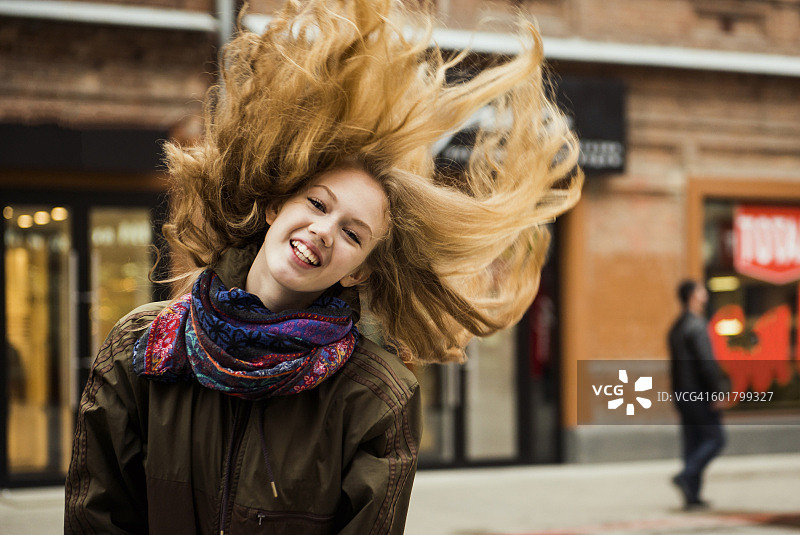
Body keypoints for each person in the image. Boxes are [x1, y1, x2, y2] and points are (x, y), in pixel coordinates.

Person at [64, 0, 582, 533]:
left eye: (352, 233)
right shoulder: (145, 347)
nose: (324, 231)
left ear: (359, 270)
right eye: (317, 204)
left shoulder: (376, 395)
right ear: (273, 208)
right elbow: (97, 517)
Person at [668, 279, 728, 510]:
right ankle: (687, 474)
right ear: (693, 295)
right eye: (702, 290)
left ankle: (692, 495)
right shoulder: (696, 326)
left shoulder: (676, 327)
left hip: (682, 394)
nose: (705, 294)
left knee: (692, 443)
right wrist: (717, 392)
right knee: (716, 439)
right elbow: (707, 363)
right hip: (699, 394)